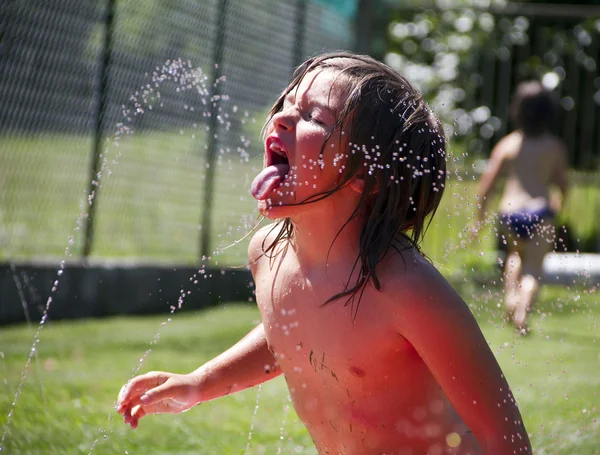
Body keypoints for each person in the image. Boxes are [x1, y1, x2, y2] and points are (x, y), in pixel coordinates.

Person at [117, 52, 532, 455]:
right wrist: (200, 383)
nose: (281, 117)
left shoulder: (407, 290)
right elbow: (292, 334)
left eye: (314, 117)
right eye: (288, 103)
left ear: (366, 174)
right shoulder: (268, 255)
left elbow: (507, 440)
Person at [475, 81, 568, 334]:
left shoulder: (508, 144)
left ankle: (510, 299)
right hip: (540, 211)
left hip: (510, 211)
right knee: (533, 269)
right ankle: (523, 312)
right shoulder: (554, 147)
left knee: (514, 256)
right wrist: (558, 205)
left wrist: (479, 219)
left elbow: (487, 185)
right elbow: (563, 185)